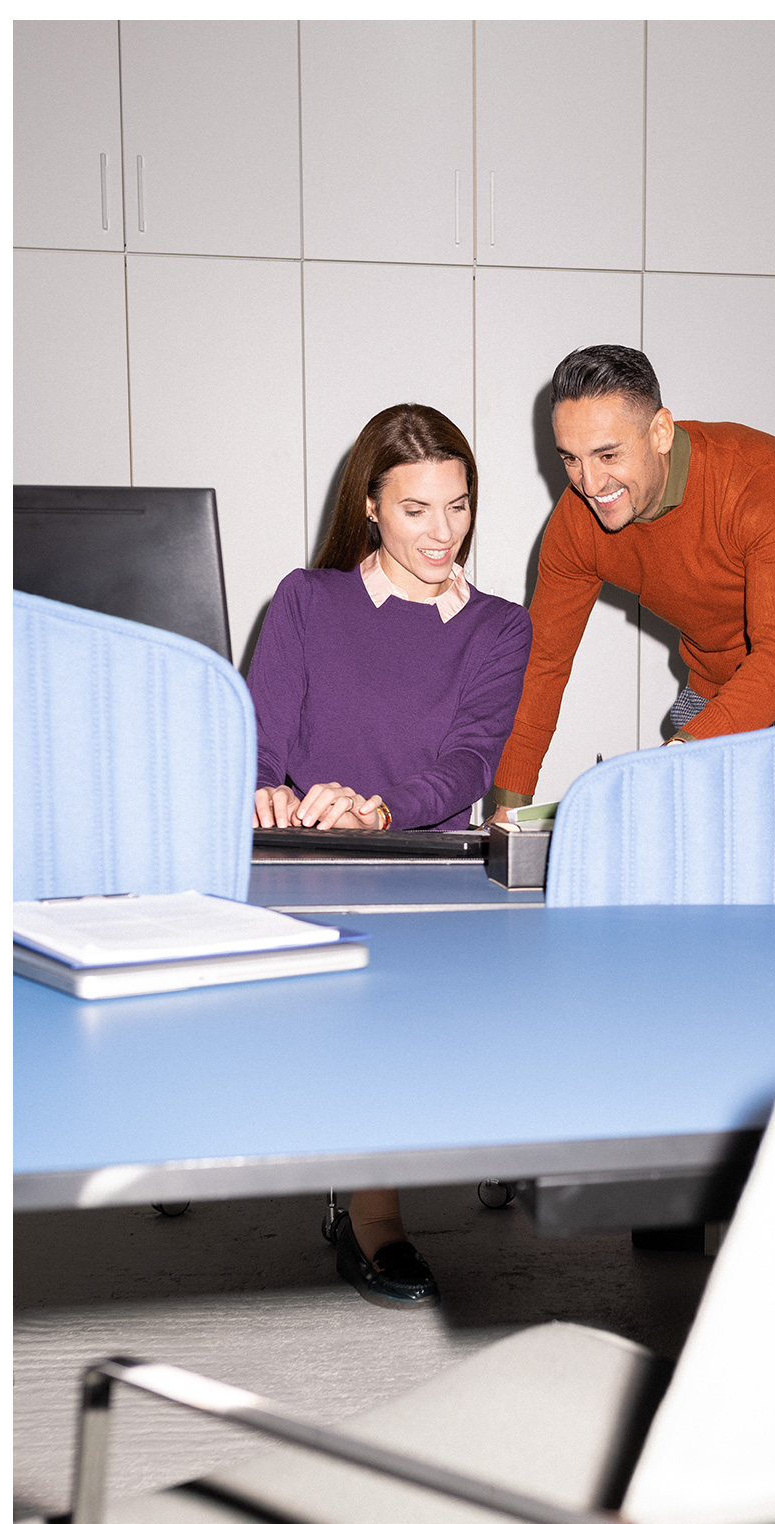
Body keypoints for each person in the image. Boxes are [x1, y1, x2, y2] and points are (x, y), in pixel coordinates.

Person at [248, 403, 532, 1308]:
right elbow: (258, 741)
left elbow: (468, 765)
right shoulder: (307, 599)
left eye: (459, 505)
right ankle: (374, 1215)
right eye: (416, 509)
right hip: (305, 858)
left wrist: (377, 812)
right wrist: (266, 792)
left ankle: (372, 1191)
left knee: (415, 984)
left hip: (427, 858)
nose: (444, 532)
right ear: (370, 506)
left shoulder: (499, 628)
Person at [488, 345, 775, 818]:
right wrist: (508, 807)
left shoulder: (759, 478)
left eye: (607, 454)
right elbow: (542, 667)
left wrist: (681, 752)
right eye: (571, 459)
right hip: (720, 680)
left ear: (660, 432)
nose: (590, 485)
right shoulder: (578, 524)